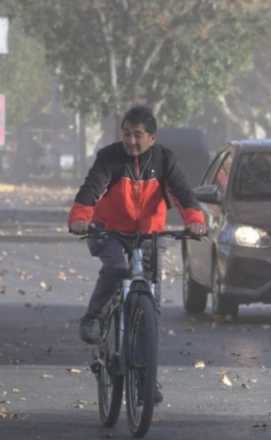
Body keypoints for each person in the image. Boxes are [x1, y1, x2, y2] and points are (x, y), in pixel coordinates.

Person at [68, 105, 207, 344]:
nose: (131, 141)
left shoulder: (164, 160)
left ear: (152, 138)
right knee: (118, 268)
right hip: (108, 230)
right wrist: (80, 218)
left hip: (148, 233)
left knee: (149, 279)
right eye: (126, 134)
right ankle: (95, 317)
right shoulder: (109, 157)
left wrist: (195, 221)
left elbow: (183, 194)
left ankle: (148, 329)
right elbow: (91, 188)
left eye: (137, 135)